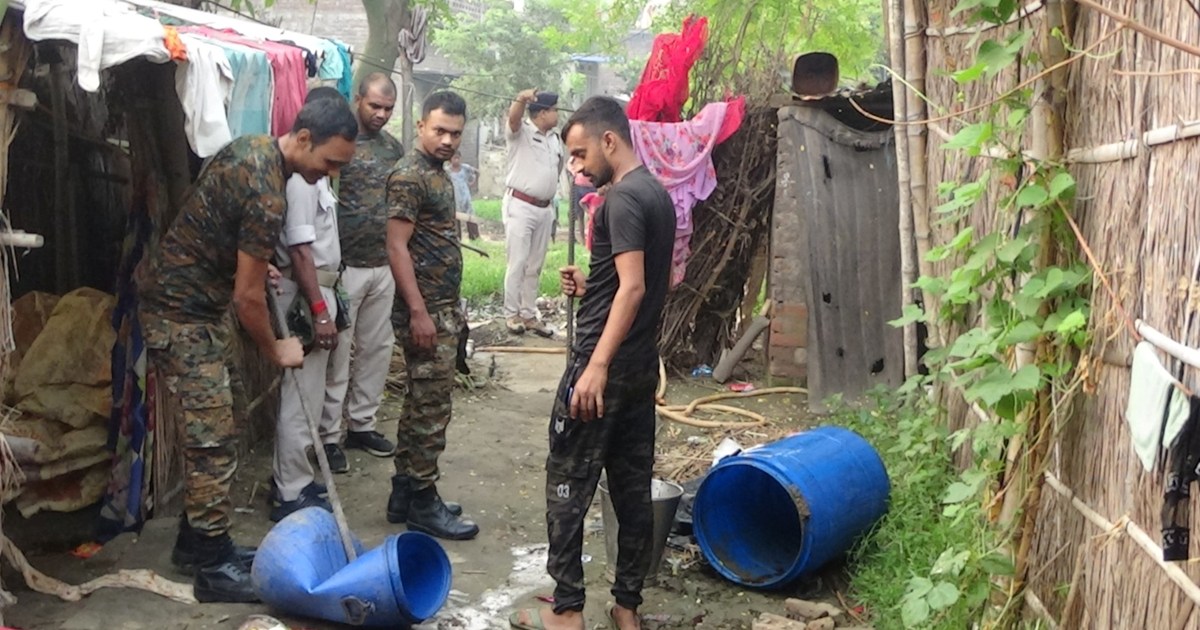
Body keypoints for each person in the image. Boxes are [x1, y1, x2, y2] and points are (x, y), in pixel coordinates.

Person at [137, 98, 357, 603]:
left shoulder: (251, 148)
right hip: (181, 314)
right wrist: (276, 347)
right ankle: (213, 570)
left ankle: (199, 542)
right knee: (212, 438)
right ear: (303, 138)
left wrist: (255, 262)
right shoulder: (267, 193)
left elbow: (213, 218)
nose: (330, 175)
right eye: (329, 163)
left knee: (226, 418)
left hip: (198, 306)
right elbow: (247, 298)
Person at [509, 97, 675, 630]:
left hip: (600, 369)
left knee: (567, 484)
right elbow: (635, 283)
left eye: (581, 154)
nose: (576, 167)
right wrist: (590, 284)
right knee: (631, 489)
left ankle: (568, 609)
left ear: (610, 140)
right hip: (640, 367)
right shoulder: (656, 195)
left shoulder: (621, 200)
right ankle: (626, 606)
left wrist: (596, 366)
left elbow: (633, 288)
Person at [384, 90, 479, 540]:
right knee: (431, 408)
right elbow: (396, 245)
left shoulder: (436, 173)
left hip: (440, 307)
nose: (446, 140)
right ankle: (423, 501)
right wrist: (420, 312)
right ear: (420, 125)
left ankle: (404, 490)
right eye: (439, 130)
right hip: (425, 311)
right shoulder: (409, 176)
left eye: (455, 133)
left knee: (419, 402)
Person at [268, 87, 347, 522]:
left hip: (319, 289)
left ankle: (294, 475)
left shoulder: (313, 175)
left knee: (311, 394)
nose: (332, 170)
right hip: (304, 293)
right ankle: (290, 488)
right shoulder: (301, 179)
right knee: (300, 397)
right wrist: (319, 311)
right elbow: (301, 251)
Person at [323, 72, 404, 461]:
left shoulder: (393, 149)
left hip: (384, 265)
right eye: (375, 106)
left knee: (377, 349)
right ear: (358, 99)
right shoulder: (340, 143)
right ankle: (328, 434)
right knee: (338, 351)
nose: (381, 114)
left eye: (388, 108)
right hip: (344, 267)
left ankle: (362, 425)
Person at [502, 89, 564, 338]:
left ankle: (528, 314)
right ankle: (511, 313)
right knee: (517, 261)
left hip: (544, 207)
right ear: (542, 113)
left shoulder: (554, 138)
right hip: (521, 204)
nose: (558, 114)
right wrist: (520, 99)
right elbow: (514, 118)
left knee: (534, 265)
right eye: (555, 110)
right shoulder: (522, 132)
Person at [447, 150, 480, 241]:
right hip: (454, 196)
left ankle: (474, 236)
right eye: (454, 158)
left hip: (465, 195)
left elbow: (477, 172)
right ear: (450, 160)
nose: (456, 160)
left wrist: (473, 182)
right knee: (456, 216)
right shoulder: (448, 171)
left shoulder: (465, 168)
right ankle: (458, 237)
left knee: (469, 214)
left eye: (458, 158)